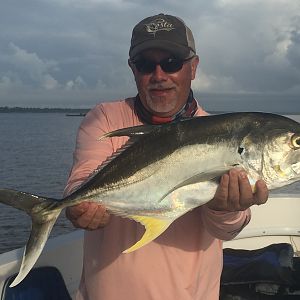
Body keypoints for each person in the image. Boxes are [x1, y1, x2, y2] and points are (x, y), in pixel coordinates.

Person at [64, 13, 269, 300]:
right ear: (133, 69)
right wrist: (77, 205)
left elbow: (227, 230)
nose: (159, 76)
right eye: (146, 65)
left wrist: (226, 208)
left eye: (172, 63)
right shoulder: (105, 119)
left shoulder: (221, 134)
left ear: (193, 67)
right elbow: (81, 179)